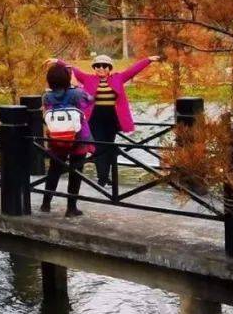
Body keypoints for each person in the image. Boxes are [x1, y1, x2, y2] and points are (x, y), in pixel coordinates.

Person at [49, 53, 162, 188]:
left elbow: (133, 70)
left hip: (112, 118)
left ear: (109, 68)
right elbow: (73, 69)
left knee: (109, 147)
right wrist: (58, 61)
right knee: (98, 147)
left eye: (104, 66)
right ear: (94, 68)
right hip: (94, 117)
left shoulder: (118, 78)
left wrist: (148, 59)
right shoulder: (88, 79)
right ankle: (102, 177)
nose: (100, 68)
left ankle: (105, 176)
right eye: (97, 66)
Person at [40, 63, 95, 216]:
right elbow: (90, 100)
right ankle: (71, 208)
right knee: (75, 171)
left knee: (54, 170)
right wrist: (76, 85)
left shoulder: (47, 96)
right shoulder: (77, 93)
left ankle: (46, 204)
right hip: (78, 138)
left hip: (56, 138)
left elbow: (46, 114)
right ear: (67, 78)